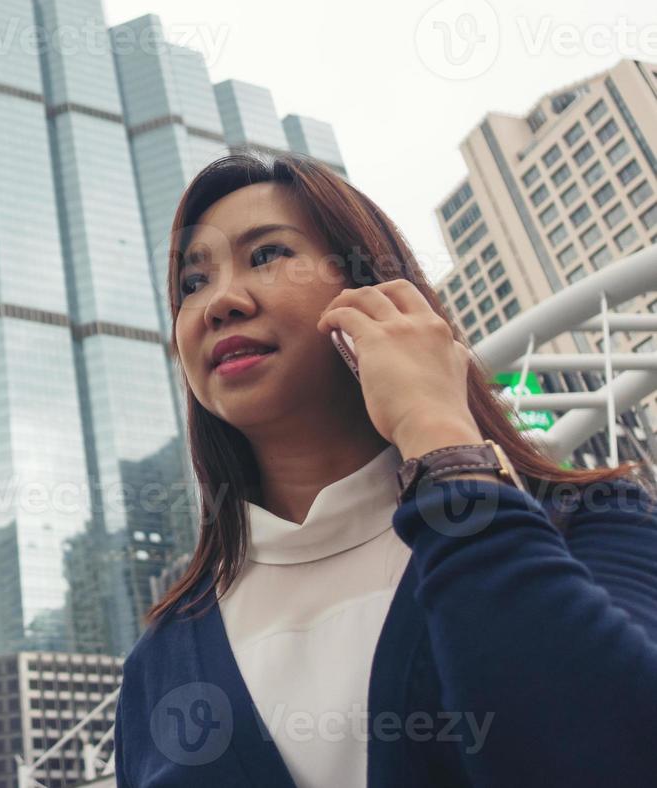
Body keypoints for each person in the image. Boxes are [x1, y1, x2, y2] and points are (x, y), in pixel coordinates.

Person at [113, 152, 657, 788]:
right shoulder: (160, 660)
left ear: (372, 289)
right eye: (191, 284)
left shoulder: (592, 524)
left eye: (265, 255)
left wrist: (438, 435)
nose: (219, 303)